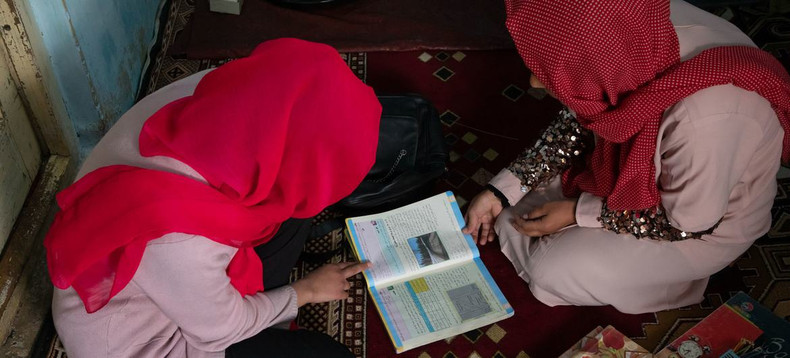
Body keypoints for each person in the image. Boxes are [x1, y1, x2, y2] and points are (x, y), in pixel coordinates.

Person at [44, 38, 380, 357]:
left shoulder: (219, 88)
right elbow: (219, 331)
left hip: (176, 277)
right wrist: (305, 292)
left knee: (293, 207)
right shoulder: (178, 236)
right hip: (152, 342)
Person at [463, 0, 790, 314]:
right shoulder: (623, 26)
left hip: (699, 223)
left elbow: (690, 223)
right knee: (511, 211)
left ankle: (674, 281)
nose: (533, 82)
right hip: (620, 171)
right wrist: (501, 190)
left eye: (546, 71)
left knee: (550, 270)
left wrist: (578, 213)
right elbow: (581, 118)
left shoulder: (707, 120)